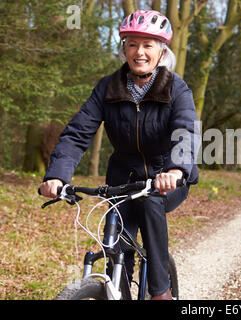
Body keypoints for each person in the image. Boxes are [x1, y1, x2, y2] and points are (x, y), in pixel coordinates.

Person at [39, 9, 200, 300]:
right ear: (124, 48)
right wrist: (56, 176)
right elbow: (77, 133)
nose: (140, 52)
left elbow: (185, 132)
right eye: (132, 44)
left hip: (166, 177)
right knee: (118, 247)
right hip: (122, 179)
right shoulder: (107, 87)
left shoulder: (176, 88)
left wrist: (176, 170)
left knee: (152, 203)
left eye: (148, 45)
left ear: (161, 52)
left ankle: (160, 292)